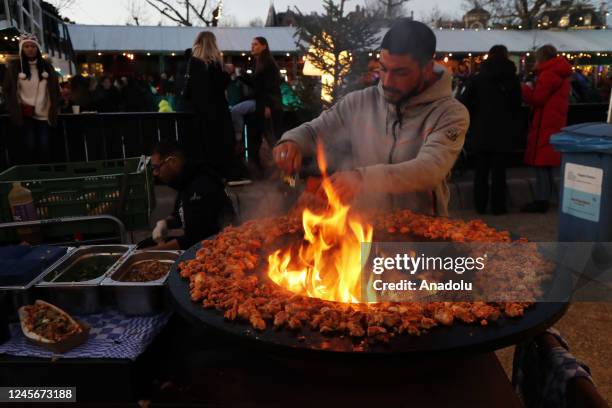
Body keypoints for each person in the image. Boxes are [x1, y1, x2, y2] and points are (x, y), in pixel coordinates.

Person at [273, 19, 469, 216]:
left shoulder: (450, 113)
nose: (387, 81)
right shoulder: (358, 102)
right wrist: (292, 141)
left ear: (427, 68)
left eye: (400, 72)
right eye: (383, 69)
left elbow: (429, 169)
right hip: (364, 230)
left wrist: (362, 178)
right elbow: (314, 132)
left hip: (423, 234)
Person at [459, 45, 522, 215]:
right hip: (503, 131)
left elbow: (463, 102)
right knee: (499, 172)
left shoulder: (478, 79)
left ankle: (480, 205)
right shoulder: (512, 79)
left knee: (481, 172)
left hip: (481, 130)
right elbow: (517, 106)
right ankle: (498, 207)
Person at [147, 142, 235, 251]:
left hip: (219, 248)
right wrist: (164, 223)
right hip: (199, 245)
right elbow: (180, 215)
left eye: (157, 167)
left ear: (173, 161)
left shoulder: (200, 186)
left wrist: (149, 252)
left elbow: (192, 240)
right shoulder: (185, 181)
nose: (155, 173)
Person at [521, 44, 571, 213]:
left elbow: (537, 99)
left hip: (545, 124)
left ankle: (541, 200)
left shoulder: (548, 74)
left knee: (541, 164)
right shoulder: (560, 73)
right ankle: (547, 198)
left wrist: (525, 89)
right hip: (555, 122)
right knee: (548, 164)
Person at [182, 31, 237, 178]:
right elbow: (219, 85)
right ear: (212, 44)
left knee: (202, 149)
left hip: (198, 114)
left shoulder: (191, 63)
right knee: (219, 147)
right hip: (217, 114)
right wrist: (228, 73)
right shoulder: (213, 64)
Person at [2, 33, 59, 164]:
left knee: (44, 147)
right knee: (29, 146)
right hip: (24, 113)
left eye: (33, 46)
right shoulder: (15, 67)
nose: (30, 49)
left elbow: (55, 89)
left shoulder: (47, 67)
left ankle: (43, 175)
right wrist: (12, 106)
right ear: (22, 49)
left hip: (44, 113)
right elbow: (7, 88)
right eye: (26, 46)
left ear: (37, 49)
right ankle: (30, 176)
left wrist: (55, 105)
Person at [231, 36, 283, 167]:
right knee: (262, 137)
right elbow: (257, 85)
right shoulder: (258, 63)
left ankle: (240, 139)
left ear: (264, 46)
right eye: (252, 44)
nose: (252, 47)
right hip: (260, 103)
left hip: (264, 104)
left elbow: (270, 87)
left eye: (255, 44)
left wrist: (267, 106)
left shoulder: (268, 65)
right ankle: (260, 167)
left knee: (267, 137)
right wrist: (242, 76)